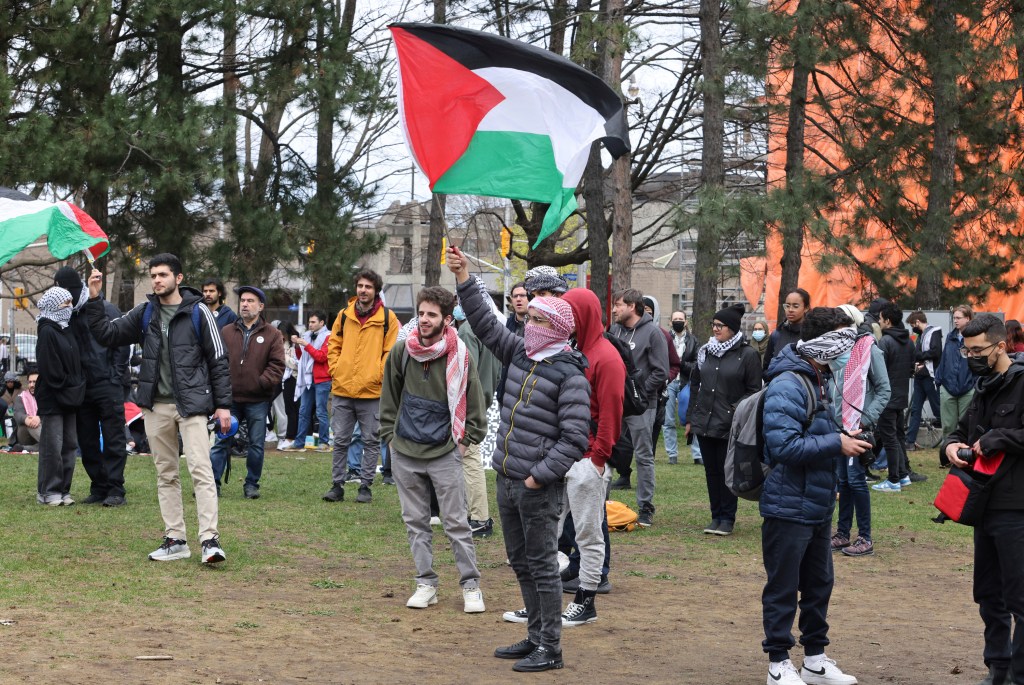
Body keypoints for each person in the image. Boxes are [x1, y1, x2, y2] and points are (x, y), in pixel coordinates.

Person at [449, 246, 590, 674]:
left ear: (557, 327)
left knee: (544, 568)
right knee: (520, 562)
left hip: (536, 489)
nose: (528, 324)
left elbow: (574, 439)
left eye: (537, 319)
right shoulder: (521, 354)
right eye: (528, 318)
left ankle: (551, 647)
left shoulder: (570, 374)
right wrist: (464, 278)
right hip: (506, 480)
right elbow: (486, 324)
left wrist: (536, 478)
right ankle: (534, 634)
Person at [86, 255, 230, 564]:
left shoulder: (199, 312)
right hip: (155, 407)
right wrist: (95, 299)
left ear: (179, 278)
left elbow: (218, 360)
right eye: (153, 275)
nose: (156, 280)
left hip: (191, 406)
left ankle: (210, 541)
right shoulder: (145, 312)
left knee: (201, 471)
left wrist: (223, 406)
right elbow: (107, 335)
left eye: (162, 274)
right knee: (166, 474)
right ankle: (175, 539)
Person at [761, 307, 870, 685]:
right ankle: (778, 663)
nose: (847, 349)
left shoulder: (820, 378)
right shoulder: (789, 383)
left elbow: (814, 437)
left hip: (818, 502)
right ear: (823, 342)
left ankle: (815, 660)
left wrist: (840, 442)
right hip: (787, 504)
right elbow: (783, 446)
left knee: (819, 583)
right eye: (842, 339)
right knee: (783, 586)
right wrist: (836, 443)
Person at [379, 286, 488, 613]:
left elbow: (475, 406)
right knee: (415, 522)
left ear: (446, 319)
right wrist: (389, 436)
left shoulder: (461, 354)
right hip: (405, 452)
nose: (424, 320)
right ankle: (426, 583)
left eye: (432, 315)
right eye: (421, 313)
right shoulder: (401, 353)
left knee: (455, 522)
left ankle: (471, 586)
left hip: (445, 452)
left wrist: (464, 442)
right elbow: (389, 398)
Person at [942, 314, 1024, 685]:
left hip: (1016, 507)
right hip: (983, 506)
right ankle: (998, 669)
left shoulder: (1022, 384)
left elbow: (1007, 437)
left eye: (977, 350)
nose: (970, 356)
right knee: (988, 595)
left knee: (1019, 598)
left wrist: (996, 439)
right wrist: (951, 447)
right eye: (966, 350)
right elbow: (959, 431)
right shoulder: (983, 386)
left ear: (1000, 347)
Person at [557, 287, 625, 626]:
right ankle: (546, 599)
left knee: (588, 533)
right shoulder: (577, 351)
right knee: (556, 532)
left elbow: (611, 414)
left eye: (570, 313)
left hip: (588, 460)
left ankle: (586, 601)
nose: (565, 320)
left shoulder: (606, 357)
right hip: (568, 455)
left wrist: (598, 458)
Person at [54, 266, 131, 507]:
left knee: (113, 438)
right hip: (83, 386)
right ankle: (99, 485)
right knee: (87, 441)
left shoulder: (106, 309)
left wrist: (115, 376)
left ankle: (115, 488)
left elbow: (121, 342)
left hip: (107, 383)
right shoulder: (70, 313)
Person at [685, 303, 762, 536]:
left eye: (721, 326)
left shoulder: (748, 355)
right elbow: (696, 386)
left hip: (730, 424)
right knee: (712, 472)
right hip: (705, 422)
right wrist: (691, 417)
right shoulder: (705, 351)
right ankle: (715, 515)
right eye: (714, 325)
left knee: (728, 471)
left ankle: (727, 518)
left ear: (733, 328)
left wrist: (734, 410)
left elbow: (754, 391)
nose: (716, 329)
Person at [324, 269, 400, 504]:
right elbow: (333, 345)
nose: (363, 290)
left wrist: (377, 375)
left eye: (368, 287)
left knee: (370, 441)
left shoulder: (388, 319)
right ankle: (337, 485)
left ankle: (365, 486)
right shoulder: (344, 316)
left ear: (376, 290)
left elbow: (390, 352)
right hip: (343, 389)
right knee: (340, 441)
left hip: (372, 392)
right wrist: (336, 369)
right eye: (360, 286)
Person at [209, 286, 284, 499]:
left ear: (260, 306)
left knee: (256, 445)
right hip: (229, 400)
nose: (245, 304)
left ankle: (251, 484)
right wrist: (220, 389)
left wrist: (260, 383)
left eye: (250, 301)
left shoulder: (272, 334)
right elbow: (217, 361)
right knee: (221, 443)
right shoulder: (226, 331)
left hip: (257, 401)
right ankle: (212, 484)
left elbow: (277, 365)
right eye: (242, 300)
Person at [829, 304, 890, 558]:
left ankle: (865, 537)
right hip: (839, 425)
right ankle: (843, 533)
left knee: (855, 480)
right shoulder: (834, 350)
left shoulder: (868, 348)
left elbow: (885, 389)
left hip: (858, 427)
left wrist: (865, 420)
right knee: (843, 481)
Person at [609, 288, 669, 527]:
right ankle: (601, 502)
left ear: (632, 306)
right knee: (606, 451)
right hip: (614, 403)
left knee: (643, 456)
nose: (614, 309)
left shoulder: (653, 333)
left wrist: (639, 393)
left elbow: (661, 371)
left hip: (642, 406)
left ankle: (645, 506)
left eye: (618, 305)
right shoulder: (614, 331)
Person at [456, 291, 501, 538]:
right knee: (469, 458)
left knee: (469, 458)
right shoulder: (492, 330)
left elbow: (465, 370)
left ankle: (479, 518)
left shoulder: (467, 331)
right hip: (483, 400)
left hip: (467, 404)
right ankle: (472, 514)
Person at [35, 286, 85, 506]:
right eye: (65, 303)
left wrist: (76, 385)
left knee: (69, 444)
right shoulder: (47, 330)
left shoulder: (66, 328)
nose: (69, 308)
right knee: (52, 445)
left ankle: (64, 489)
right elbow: (50, 368)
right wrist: (68, 384)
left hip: (70, 397)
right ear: (54, 305)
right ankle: (48, 491)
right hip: (54, 397)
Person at [871, 303, 917, 493]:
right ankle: (903, 475)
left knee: (890, 439)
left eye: (880, 319)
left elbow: (877, 371)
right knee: (898, 437)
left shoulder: (885, 342)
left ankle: (893, 480)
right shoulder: (909, 341)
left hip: (886, 398)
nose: (879, 322)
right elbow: (912, 369)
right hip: (901, 396)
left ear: (887, 321)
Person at [284, 311, 331, 452]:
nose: (310, 325)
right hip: (307, 378)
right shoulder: (307, 336)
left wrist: (306, 344)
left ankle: (324, 442)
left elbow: (322, 357)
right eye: (309, 322)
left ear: (321, 323)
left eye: (313, 322)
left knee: (321, 411)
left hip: (322, 379)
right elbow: (301, 357)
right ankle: (299, 442)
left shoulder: (329, 336)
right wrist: (298, 346)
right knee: (303, 411)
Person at [642, 296, 680, 460]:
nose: (645, 315)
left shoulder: (664, 336)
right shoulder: (630, 333)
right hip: (632, 393)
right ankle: (625, 473)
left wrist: (664, 380)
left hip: (655, 395)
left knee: (652, 435)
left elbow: (674, 365)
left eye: (648, 312)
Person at [936, 304, 977, 438]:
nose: (955, 321)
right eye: (954, 318)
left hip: (968, 388)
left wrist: (975, 383)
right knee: (948, 426)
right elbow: (944, 359)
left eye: (958, 318)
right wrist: (939, 380)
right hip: (948, 387)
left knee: (966, 426)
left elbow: (979, 363)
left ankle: (965, 456)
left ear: (968, 319)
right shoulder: (950, 336)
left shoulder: (976, 338)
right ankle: (947, 456)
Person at [665, 310, 700, 465]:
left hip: (687, 382)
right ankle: (672, 454)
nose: (678, 321)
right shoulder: (664, 339)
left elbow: (697, 364)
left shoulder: (693, 341)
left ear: (686, 322)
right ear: (670, 322)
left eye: (681, 319)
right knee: (668, 420)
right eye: (675, 319)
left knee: (693, 418)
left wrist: (681, 364)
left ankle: (697, 454)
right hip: (670, 382)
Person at [906, 310, 943, 450]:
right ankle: (910, 442)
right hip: (920, 376)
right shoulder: (921, 335)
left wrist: (919, 356)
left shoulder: (934, 333)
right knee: (915, 409)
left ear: (917, 322)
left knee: (937, 408)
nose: (912, 328)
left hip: (930, 376)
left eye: (912, 325)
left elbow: (936, 352)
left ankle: (951, 437)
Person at [763, 289, 809, 372]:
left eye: (795, 306)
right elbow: (766, 366)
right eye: (787, 306)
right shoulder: (776, 335)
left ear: (806, 308)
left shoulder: (812, 335)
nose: (790, 310)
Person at [271, 320, 299, 445]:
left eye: (282, 334)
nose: (281, 336)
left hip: (292, 378)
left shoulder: (296, 345)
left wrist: (283, 357)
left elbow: (296, 364)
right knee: (268, 403)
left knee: (290, 409)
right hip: (279, 378)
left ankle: (289, 437)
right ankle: (271, 431)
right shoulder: (281, 344)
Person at [13, 371, 40, 451]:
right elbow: (17, 414)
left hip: (43, 430)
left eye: (35, 382)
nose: (31, 385)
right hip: (25, 433)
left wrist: (39, 418)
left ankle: (24, 449)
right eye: (30, 382)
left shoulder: (47, 397)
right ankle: (50, 444)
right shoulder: (21, 397)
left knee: (38, 420)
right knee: (32, 422)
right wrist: (26, 419)